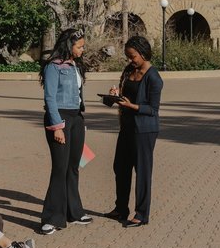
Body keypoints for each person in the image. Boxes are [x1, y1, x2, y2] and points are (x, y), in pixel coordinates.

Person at [106, 35, 164, 228]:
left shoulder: (154, 77)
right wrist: (114, 96)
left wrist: (132, 106)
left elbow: (153, 109)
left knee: (142, 171)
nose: (130, 60)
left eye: (133, 56)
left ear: (143, 53)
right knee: (120, 167)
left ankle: (141, 214)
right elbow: (123, 96)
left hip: (145, 130)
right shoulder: (128, 70)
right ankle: (121, 209)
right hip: (126, 127)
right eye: (128, 56)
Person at [39, 28, 92, 235]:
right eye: (79, 46)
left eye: (83, 46)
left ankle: (74, 212)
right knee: (60, 169)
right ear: (69, 45)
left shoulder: (76, 65)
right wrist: (57, 127)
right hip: (59, 119)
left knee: (73, 167)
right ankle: (51, 218)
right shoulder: (54, 66)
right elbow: (50, 98)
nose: (82, 50)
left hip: (76, 118)